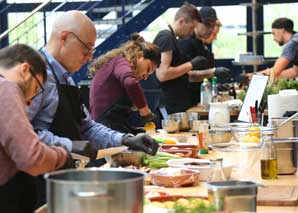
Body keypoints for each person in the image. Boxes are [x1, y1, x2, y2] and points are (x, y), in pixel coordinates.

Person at [27, 10, 159, 206]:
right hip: (36, 187)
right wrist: (70, 145)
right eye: (87, 48)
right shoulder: (34, 76)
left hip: (63, 179)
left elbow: (87, 127)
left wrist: (125, 139)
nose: (89, 57)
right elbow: (24, 135)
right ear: (64, 37)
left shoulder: (67, 79)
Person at [0, 44, 71, 213]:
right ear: (25, 69)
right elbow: (32, 158)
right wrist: (62, 155)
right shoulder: (6, 88)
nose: (30, 102)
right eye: (36, 90)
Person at [89, 33, 161, 134]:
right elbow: (131, 83)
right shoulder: (120, 61)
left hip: (113, 125)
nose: (145, 77)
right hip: (105, 127)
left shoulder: (117, 63)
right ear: (139, 55)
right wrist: (144, 109)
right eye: (148, 69)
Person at [152, 3, 211, 114]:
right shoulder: (166, 37)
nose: (191, 32)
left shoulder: (174, 39)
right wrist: (191, 64)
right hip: (168, 104)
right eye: (191, 27)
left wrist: (211, 72)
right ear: (181, 21)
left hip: (177, 102)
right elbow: (162, 74)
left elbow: (183, 76)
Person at [178, 7, 231, 81]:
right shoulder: (185, 42)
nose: (211, 29)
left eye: (213, 25)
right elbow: (185, 76)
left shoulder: (203, 46)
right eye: (207, 24)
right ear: (196, 22)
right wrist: (213, 72)